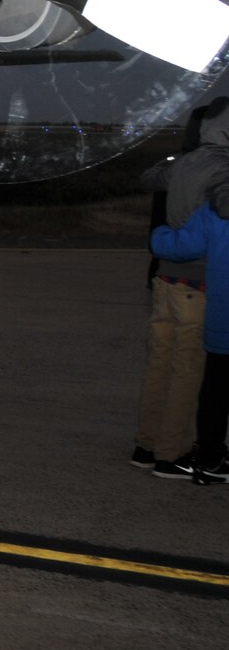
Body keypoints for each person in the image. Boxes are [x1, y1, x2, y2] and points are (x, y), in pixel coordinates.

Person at [131, 100, 227, 479]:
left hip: (166, 281)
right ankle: (172, 455)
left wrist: (177, 160)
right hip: (199, 283)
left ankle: (146, 445)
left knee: (160, 365)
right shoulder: (223, 168)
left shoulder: (186, 163)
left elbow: (148, 178)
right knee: (188, 371)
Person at [151, 181, 229, 485]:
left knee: (216, 388)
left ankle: (209, 456)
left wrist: (158, 235)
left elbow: (184, 246)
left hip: (223, 315)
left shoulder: (218, 203)